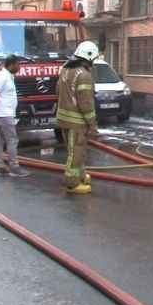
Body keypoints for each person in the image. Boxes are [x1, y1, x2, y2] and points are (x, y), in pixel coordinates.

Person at [57, 41, 100, 194]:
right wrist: (93, 125)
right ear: (89, 57)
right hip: (77, 122)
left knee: (76, 151)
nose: (93, 63)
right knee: (76, 152)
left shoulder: (65, 70)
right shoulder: (84, 75)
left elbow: (58, 91)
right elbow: (86, 104)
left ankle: (80, 175)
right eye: (94, 59)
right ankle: (72, 183)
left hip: (63, 119)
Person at [0, 55, 30, 177]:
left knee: (0, 140)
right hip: (4, 114)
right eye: (18, 64)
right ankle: (14, 167)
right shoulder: (2, 77)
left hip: (3, 114)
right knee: (12, 140)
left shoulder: (8, 76)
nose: (19, 67)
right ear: (11, 65)